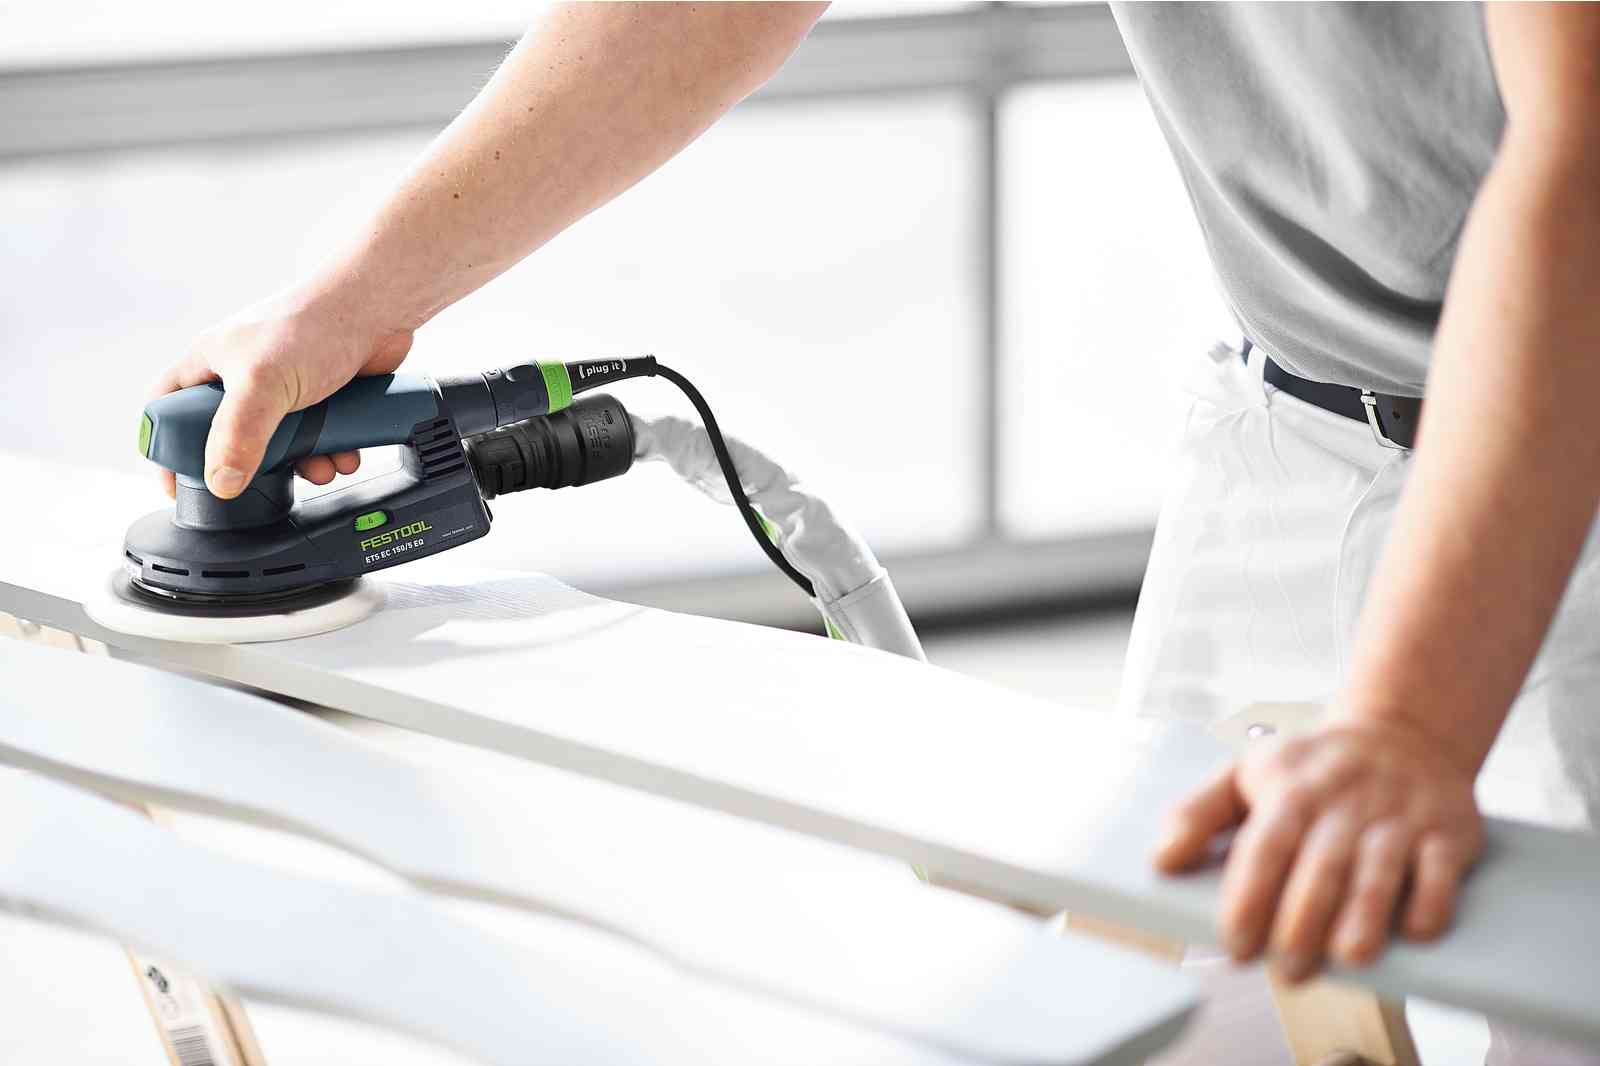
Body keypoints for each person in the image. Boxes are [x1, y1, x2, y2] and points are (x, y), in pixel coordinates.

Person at [155, 5, 1600, 1061]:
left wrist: (1409, 728)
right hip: (1287, 414)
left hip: (1563, 422)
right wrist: (359, 291)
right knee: (1153, 1008)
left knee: (1559, 1001)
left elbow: (1581, 157)